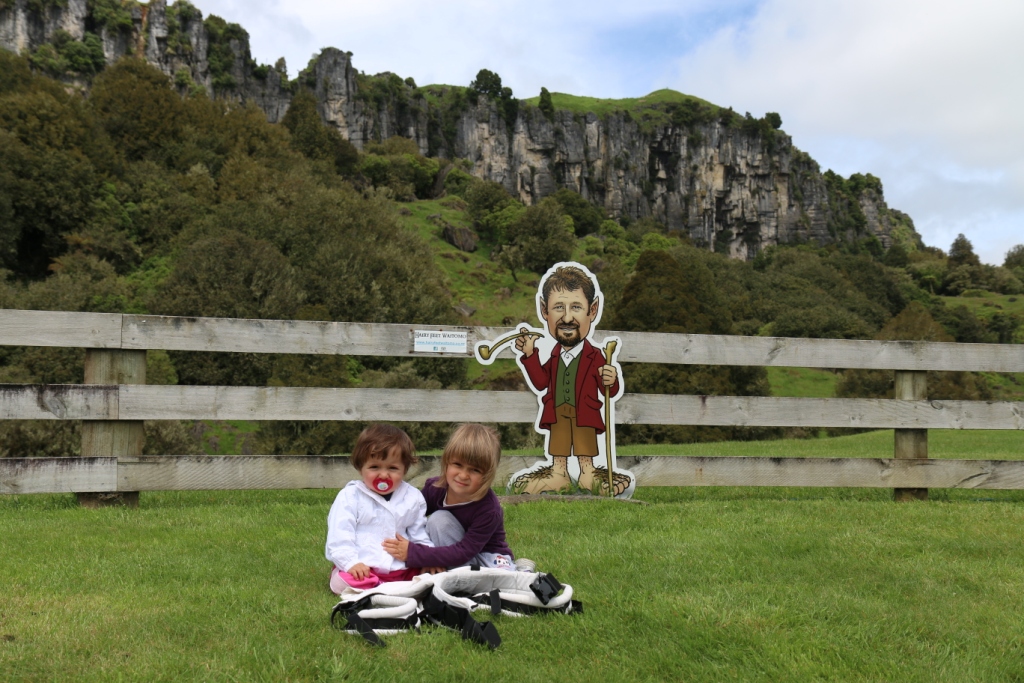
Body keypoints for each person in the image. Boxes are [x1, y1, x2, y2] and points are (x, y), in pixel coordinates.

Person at [512, 264, 630, 495]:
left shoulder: (596, 356)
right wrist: (529, 355)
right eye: (559, 307)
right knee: (560, 444)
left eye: (576, 307)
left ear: (592, 310)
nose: (567, 317)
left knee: (584, 444)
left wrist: (611, 378)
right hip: (557, 412)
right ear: (544, 311)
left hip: (585, 412)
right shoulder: (553, 355)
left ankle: (588, 475)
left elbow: (610, 390)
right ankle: (559, 474)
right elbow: (540, 382)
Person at [382, 423, 520, 571]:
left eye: (475, 470)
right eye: (458, 465)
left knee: (498, 582)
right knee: (437, 520)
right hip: (448, 555)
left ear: (487, 474)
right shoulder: (435, 489)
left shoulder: (488, 509)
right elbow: (408, 518)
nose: (463, 475)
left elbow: (463, 552)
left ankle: (521, 571)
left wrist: (417, 554)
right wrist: (427, 557)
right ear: (446, 461)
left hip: (486, 558)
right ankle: (448, 575)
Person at [325, 424, 432, 594]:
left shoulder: (413, 497)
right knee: (342, 582)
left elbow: (419, 534)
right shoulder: (350, 496)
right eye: (374, 467)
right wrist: (351, 562)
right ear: (361, 467)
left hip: (401, 566)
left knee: (428, 577)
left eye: (393, 468)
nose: (383, 475)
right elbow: (340, 535)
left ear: (404, 469)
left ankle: (388, 586)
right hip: (364, 567)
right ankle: (376, 584)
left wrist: (426, 557)